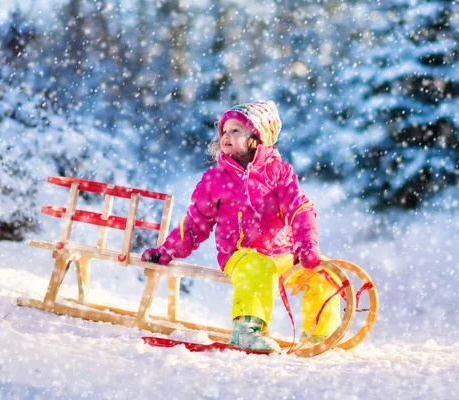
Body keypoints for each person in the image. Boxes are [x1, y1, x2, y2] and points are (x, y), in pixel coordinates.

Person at [142, 101, 340, 353]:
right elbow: (195, 222)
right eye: (224, 131)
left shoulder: (280, 173)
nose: (226, 136)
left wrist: (306, 244)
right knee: (257, 266)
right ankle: (247, 330)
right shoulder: (215, 179)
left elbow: (301, 209)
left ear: (257, 138)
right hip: (240, 255)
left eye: (235, 130)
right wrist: (168, 250)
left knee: (324, 273)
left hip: (283, 254)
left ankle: (318, 334)